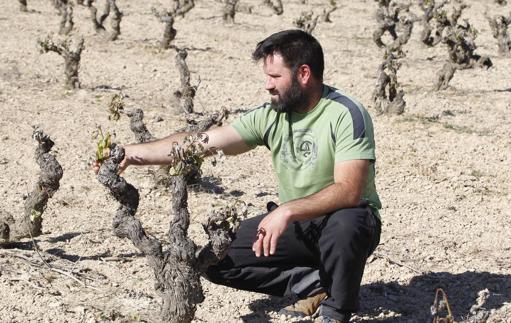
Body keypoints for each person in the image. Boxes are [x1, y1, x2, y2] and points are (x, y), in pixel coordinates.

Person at [95, 30, 381, 323]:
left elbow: (349, 191)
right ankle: (317, 283)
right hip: (296, 223)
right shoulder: (271, 115)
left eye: (274, 77)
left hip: (346, 219)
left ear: (304, 73)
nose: (267, 86)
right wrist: (130, 153)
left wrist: (287, 210)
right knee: (216, 258)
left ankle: (336, 310)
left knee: (347, 223)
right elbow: (200, 143)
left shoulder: (345, 113)